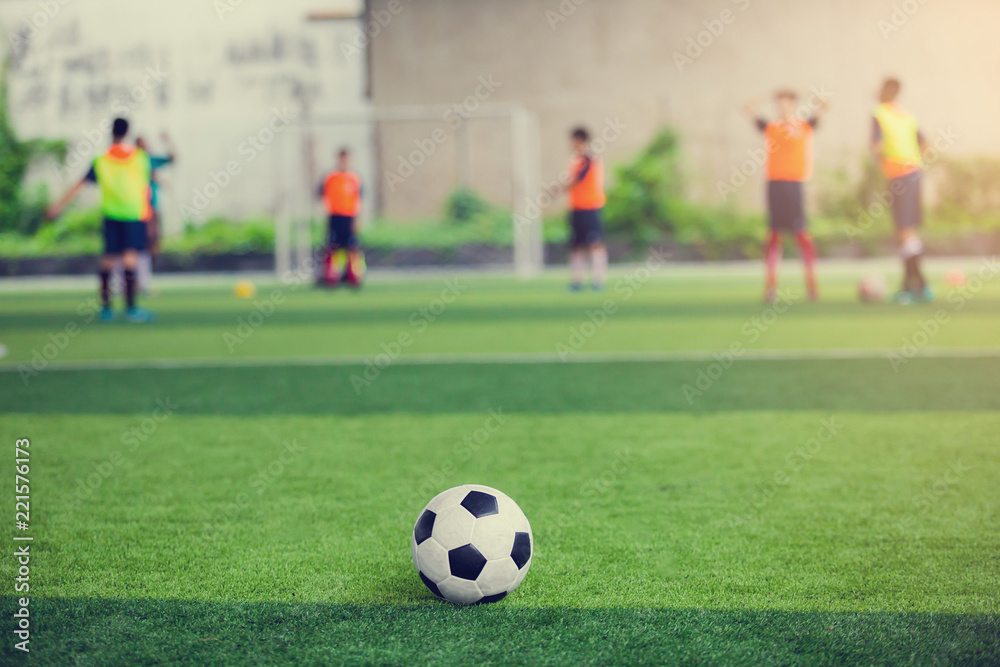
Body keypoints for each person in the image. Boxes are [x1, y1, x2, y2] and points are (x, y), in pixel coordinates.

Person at [47, 117, 155, 323]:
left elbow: (79, 185)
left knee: (107, 261)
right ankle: (131, 309)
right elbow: (146, 190)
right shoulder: (141, 158)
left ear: (111, 132)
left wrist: (58, 206)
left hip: (112, 216)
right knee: (129, 261)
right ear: (128, 132)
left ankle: (106, 309)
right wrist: (150, 219)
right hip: (134, 215)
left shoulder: (101, 160)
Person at [744, 90, 827, 303]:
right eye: (779, 103)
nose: (783, 107)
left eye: (787, 103)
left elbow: (824, 107)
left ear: (792, 104)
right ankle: (770, 289)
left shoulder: (803, 126)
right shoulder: (770, 127)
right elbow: (747, 108)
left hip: (794, 185)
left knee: (802, 235)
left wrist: (811, 96)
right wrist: (766, 97)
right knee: (774, 236)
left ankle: (812, 287)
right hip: (774, 185)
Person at [871, 77, 932, 304]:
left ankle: (917, 287)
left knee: (905, 231)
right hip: (912, 173)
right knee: (904, 232)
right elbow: (925, 144)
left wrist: (881, 165)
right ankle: (912, 285)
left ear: (886, 90)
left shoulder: (879, 112)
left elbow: (875, 146)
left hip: (900, 175)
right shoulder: (906, 114)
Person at [564, 127, 608, 292]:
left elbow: (576, 180)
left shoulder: (589, 159)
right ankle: (577, 280)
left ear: (580, 141)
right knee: (576, 245)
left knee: (595, 243)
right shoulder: (575, 161)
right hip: (577, 208)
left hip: (591, 207)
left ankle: (598, 279)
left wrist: (556, 189)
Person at [134, 133, 176, 295]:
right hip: (138, 209)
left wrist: (167, 141)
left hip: (152, 208)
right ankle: (138, 282)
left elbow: (172, 158)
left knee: (153, 244)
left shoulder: (150, 160)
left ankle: (143, 280)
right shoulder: (133, 162)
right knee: (140, 244)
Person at [317, 148, 365, 288]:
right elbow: (323, 197)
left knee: (353, 247)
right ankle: (332, 277)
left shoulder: (355, 177)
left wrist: (358, 219)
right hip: (334, 216)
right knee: (333, 247)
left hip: (350, 216)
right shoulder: (331, 177)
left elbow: (359, 200)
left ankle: (353, 276)